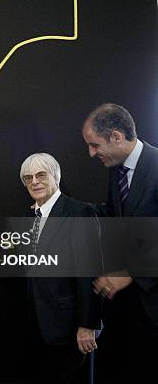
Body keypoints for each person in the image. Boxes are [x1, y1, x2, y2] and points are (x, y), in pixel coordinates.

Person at [0, 153, 102, 383]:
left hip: (71, 328)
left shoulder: (79, 212)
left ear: (55, 176)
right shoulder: (30, 216)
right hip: (37, 325)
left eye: (40, 175)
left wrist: (87, 325)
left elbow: (90, 273)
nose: (34, 181)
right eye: (28, 178)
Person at [81, 103, 158, 382]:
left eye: (94, 145)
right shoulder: (116, 170)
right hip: (130, 315)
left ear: (115, 136)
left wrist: (129, 272)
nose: (91, 153)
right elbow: (114, 215)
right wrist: (62, 204)